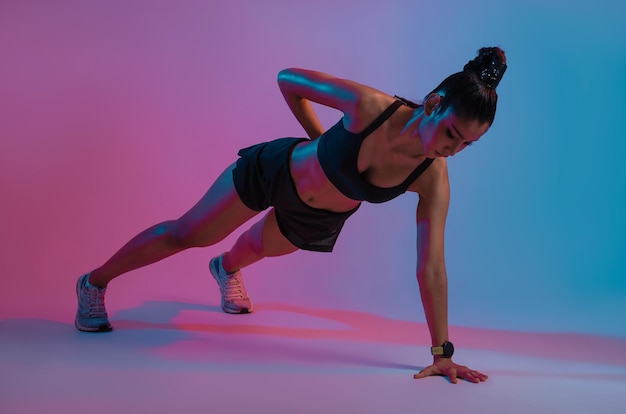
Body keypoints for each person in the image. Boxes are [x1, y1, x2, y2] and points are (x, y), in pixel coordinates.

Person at [74, 47, 507, 384]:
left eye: (467, 144)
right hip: (276, 172)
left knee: (252, 249)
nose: (453, 148)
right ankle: (94, 282)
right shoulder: (370, 107)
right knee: (189, 233)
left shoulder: (432, 178)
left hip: (314, 220)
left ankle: (225, 271)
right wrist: (320, 139)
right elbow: (288, 80)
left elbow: (431, 268)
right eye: (452, 133)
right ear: (433, 104)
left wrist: (442, 353)